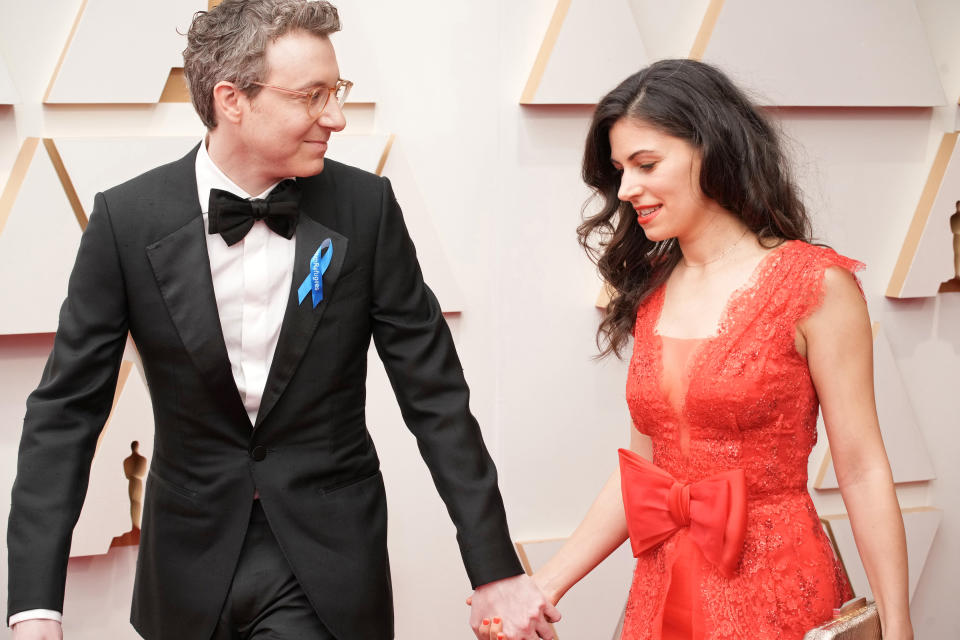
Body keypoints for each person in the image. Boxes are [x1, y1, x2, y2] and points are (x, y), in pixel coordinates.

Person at [6, 2, 558, 639]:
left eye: (338, 91)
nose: (337, 117)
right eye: (312, 96)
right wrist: (34, 608)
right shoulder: (126, 222)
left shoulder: (366, 209)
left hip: (325, 563)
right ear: (232, 99)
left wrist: (493, 567)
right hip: (185, 568)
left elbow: (433, 394)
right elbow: (65, 415)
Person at [481, 59, 913, 640]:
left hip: (776, 587)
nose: (627, 188)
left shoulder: (814, 284)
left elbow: (860, 469)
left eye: (646, 164)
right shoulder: (654, 286)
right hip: (665, 589)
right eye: (619, 170)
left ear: (711, 150)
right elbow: (646, 472)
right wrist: (544, 586)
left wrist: (900, 625)